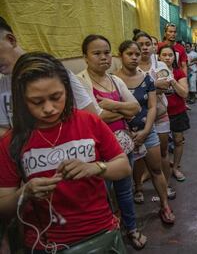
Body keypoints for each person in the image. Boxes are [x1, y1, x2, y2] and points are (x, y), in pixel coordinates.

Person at [0, 52, 132, 252]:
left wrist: (96, 167)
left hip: (100, 232)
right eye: (36, 101)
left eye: (56, 97)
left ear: (67, 90)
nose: (49, 108)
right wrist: (24, 193)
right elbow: (3, 206)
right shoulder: (12, 141)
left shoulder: (89, 122)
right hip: (46, 243)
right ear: (21, 100)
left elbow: (123, 167)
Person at [77, 35, 146, 250]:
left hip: (121, 147)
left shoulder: (116, 81)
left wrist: (110, 105)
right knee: (102, 194)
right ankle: (107, 234)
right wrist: (120, 108)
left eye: (106, 52)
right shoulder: (80, 82)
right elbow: (95, 118)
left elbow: (135, 107)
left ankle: (132, 228)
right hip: (96, 151)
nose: (103, 57)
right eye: (96, 53)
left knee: (125, 191)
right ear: (85, 57)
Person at [0, 16, 96, 137]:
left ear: (11, 40)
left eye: (55, 97)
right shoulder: (2, 86)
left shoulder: (56, 73)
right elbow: (4, 130)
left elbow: (92, 119)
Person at [114, 40, 175, 224]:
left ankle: (165, 206)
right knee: (123, 179)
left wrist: (146, 130)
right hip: (123, 136)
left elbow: (152, 107)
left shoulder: (147, 79)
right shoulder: (114, 81)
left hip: (147, 132)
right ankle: (124, 220)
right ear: (120, 56)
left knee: (156, 170)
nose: (134, 57)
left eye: (137, 54)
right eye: (129, 54)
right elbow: (116, 111)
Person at [132, 29, 176, 202]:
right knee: (139, 155)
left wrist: (144, 88)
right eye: (140, 44)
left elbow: (167, 87)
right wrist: (154, 85)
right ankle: (138, 188)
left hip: (160, 116)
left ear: (153, 47)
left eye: (147, 44)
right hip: (139, 119)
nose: (144, 48)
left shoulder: (160, 66)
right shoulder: (131, 67)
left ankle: (166, 185)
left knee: (164, 153)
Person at [158, 45, 189, 182]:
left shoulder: (179, 73)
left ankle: (175, 168)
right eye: (164, 55)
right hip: (160, 114)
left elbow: (184, 93)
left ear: (174, 57)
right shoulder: (153, 73)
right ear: (159, 57)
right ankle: (159, 170)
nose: (167, 58)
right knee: (160, 145)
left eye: (170, 55)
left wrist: (173, 81)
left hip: (178, 112)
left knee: (178, 140)